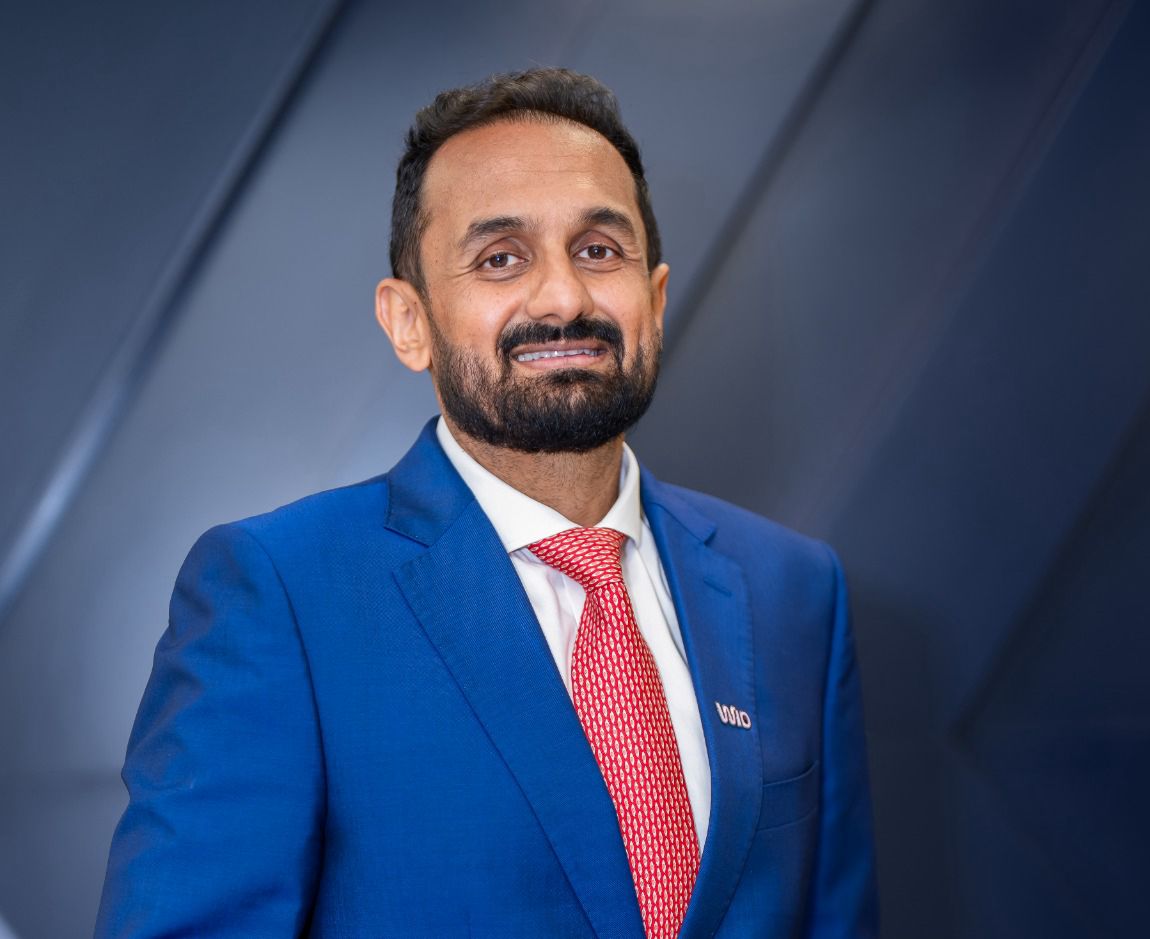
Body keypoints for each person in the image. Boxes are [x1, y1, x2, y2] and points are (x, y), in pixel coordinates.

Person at [95, 67, 878, 938]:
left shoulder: (793, 591)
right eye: (500, 258)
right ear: (409, 322)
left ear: (655, 301)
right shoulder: (280, 596)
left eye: (599, 250)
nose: (563, 297)